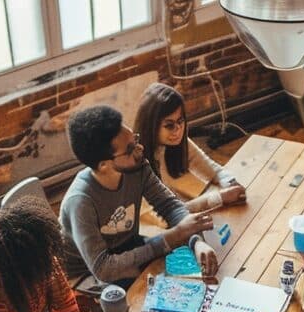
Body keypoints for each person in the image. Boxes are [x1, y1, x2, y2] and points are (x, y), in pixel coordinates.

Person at [60, 105, 218, 287]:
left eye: (135, 139)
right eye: (129, 149)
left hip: (125, 247)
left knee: (182, 268)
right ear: (104, 165)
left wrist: (196, 241)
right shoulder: (80, 202)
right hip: (86, 274)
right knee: (151, 294)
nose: (140, 148)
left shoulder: (137, 167)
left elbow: (170, 205)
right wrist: (170, 238)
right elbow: (103, 268)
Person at [134, 82, 246, 212]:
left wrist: (231, 183)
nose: (178, 130)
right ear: (151, 126)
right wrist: (219, 198)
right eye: (169, 125)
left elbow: (214, 169)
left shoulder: (178, 142)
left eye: (180, 121)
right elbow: (166, 216)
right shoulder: (136, 163)